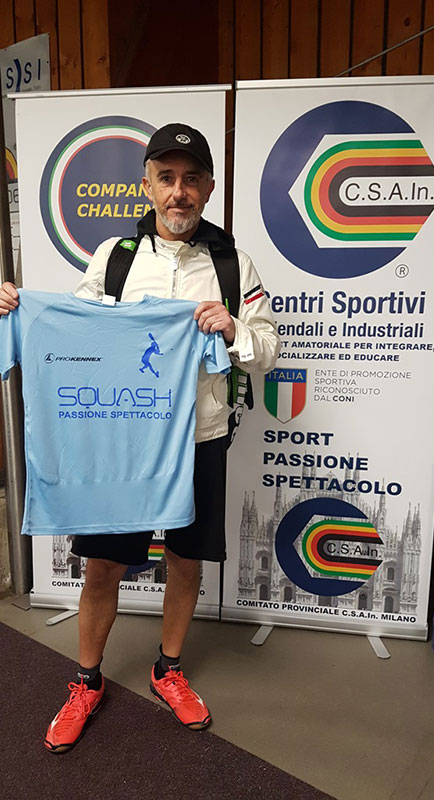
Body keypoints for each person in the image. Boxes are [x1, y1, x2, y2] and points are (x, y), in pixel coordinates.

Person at [0, 122, 280, 752]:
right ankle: (86, 680)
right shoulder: (115, 258)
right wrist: (20, 310)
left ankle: (168, 670)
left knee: (185, 560)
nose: (179, 192)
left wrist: (233, 328)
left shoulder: (233, 263)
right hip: (122, 439)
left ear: (209, 187)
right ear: (147, 185)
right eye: (167, 178)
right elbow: (73, 331)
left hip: (200, 438)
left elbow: (267, 351)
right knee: (104, 564)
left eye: (191, 179)